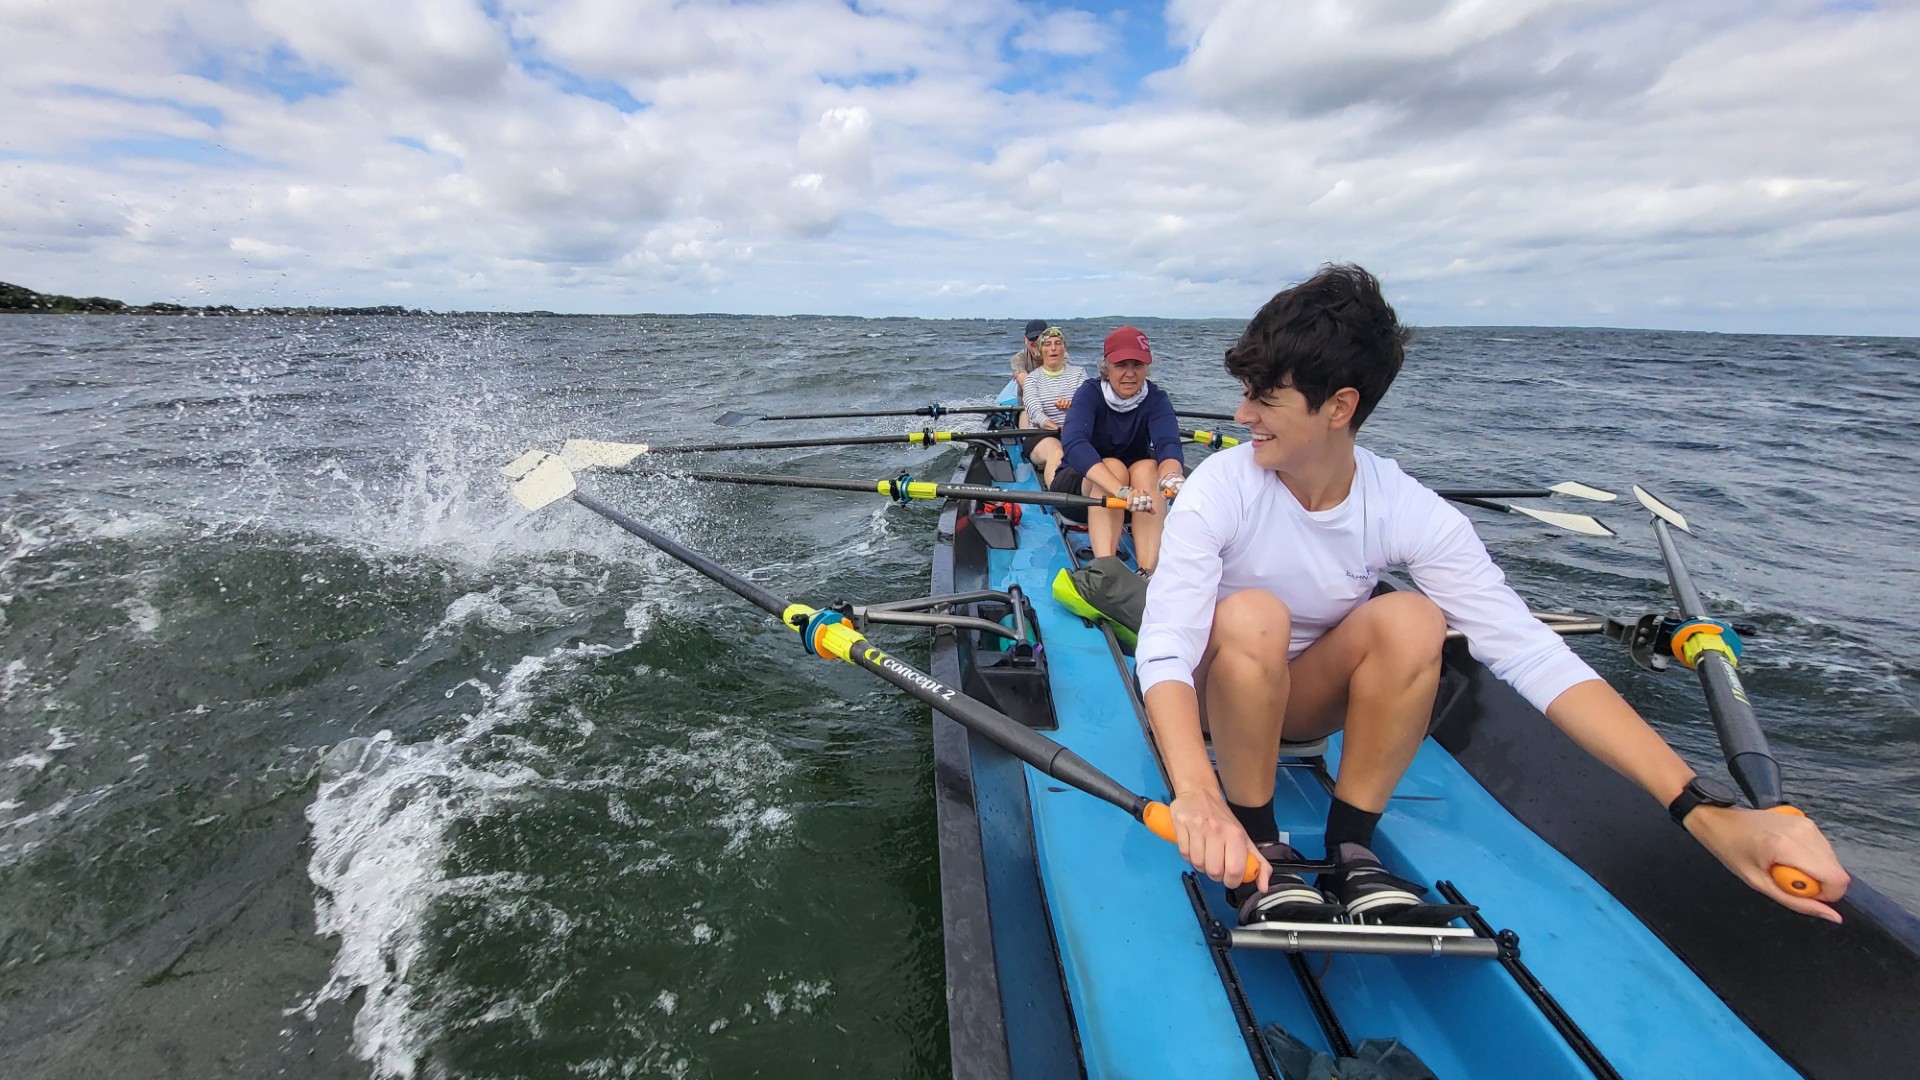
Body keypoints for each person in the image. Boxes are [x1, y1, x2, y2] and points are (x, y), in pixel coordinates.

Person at [1135, 264, 1850, 927]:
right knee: (1255, 614)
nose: (1241, 415)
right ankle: (1257, 837)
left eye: (1264, 399)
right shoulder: (1221, 488)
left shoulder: (1406, 507)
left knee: (1414, 617)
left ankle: (1353, 850)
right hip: (1215, 699)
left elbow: (1531, 653)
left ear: (1339, 406)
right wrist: (1195, 789)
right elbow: (1166, 645)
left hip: (1304, 703)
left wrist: (1698, 806)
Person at [1054, 326, 1186, 575]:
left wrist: (1171, 476)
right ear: (1106, 367)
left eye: (1137, 365)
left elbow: (1168, 443)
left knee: (1150, 468)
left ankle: (1148, 573)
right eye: (1121, 365)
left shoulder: (1156, 399)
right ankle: (1106, 572)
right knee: (1113, 466)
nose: (1130, 374)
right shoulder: (1089, 393)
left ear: (1146, 367)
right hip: (1081, 488)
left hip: (1137, 499)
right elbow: (1074, 443)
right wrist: (1121, 490)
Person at [1019, 327, 1088, 486]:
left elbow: (1086, 405)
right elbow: (1035, 413)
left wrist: (1071, 407)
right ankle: (1057, 494)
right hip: (1042, 433)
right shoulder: (1032, 379)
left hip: (1075, 430)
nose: (1053, 348)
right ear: (1041, 351)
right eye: (1048, 344)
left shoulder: (1079, 373)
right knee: (1057, 453)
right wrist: (1057, 428)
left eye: (1058, 343)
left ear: (1064, 348)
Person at [1010, 318, 1048, 392]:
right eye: (1032, 338)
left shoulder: (1059, 355)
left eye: (1040, 338)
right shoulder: (1018, 359)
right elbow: (1024, 381)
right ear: (1025, 340)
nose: (1036, 341)